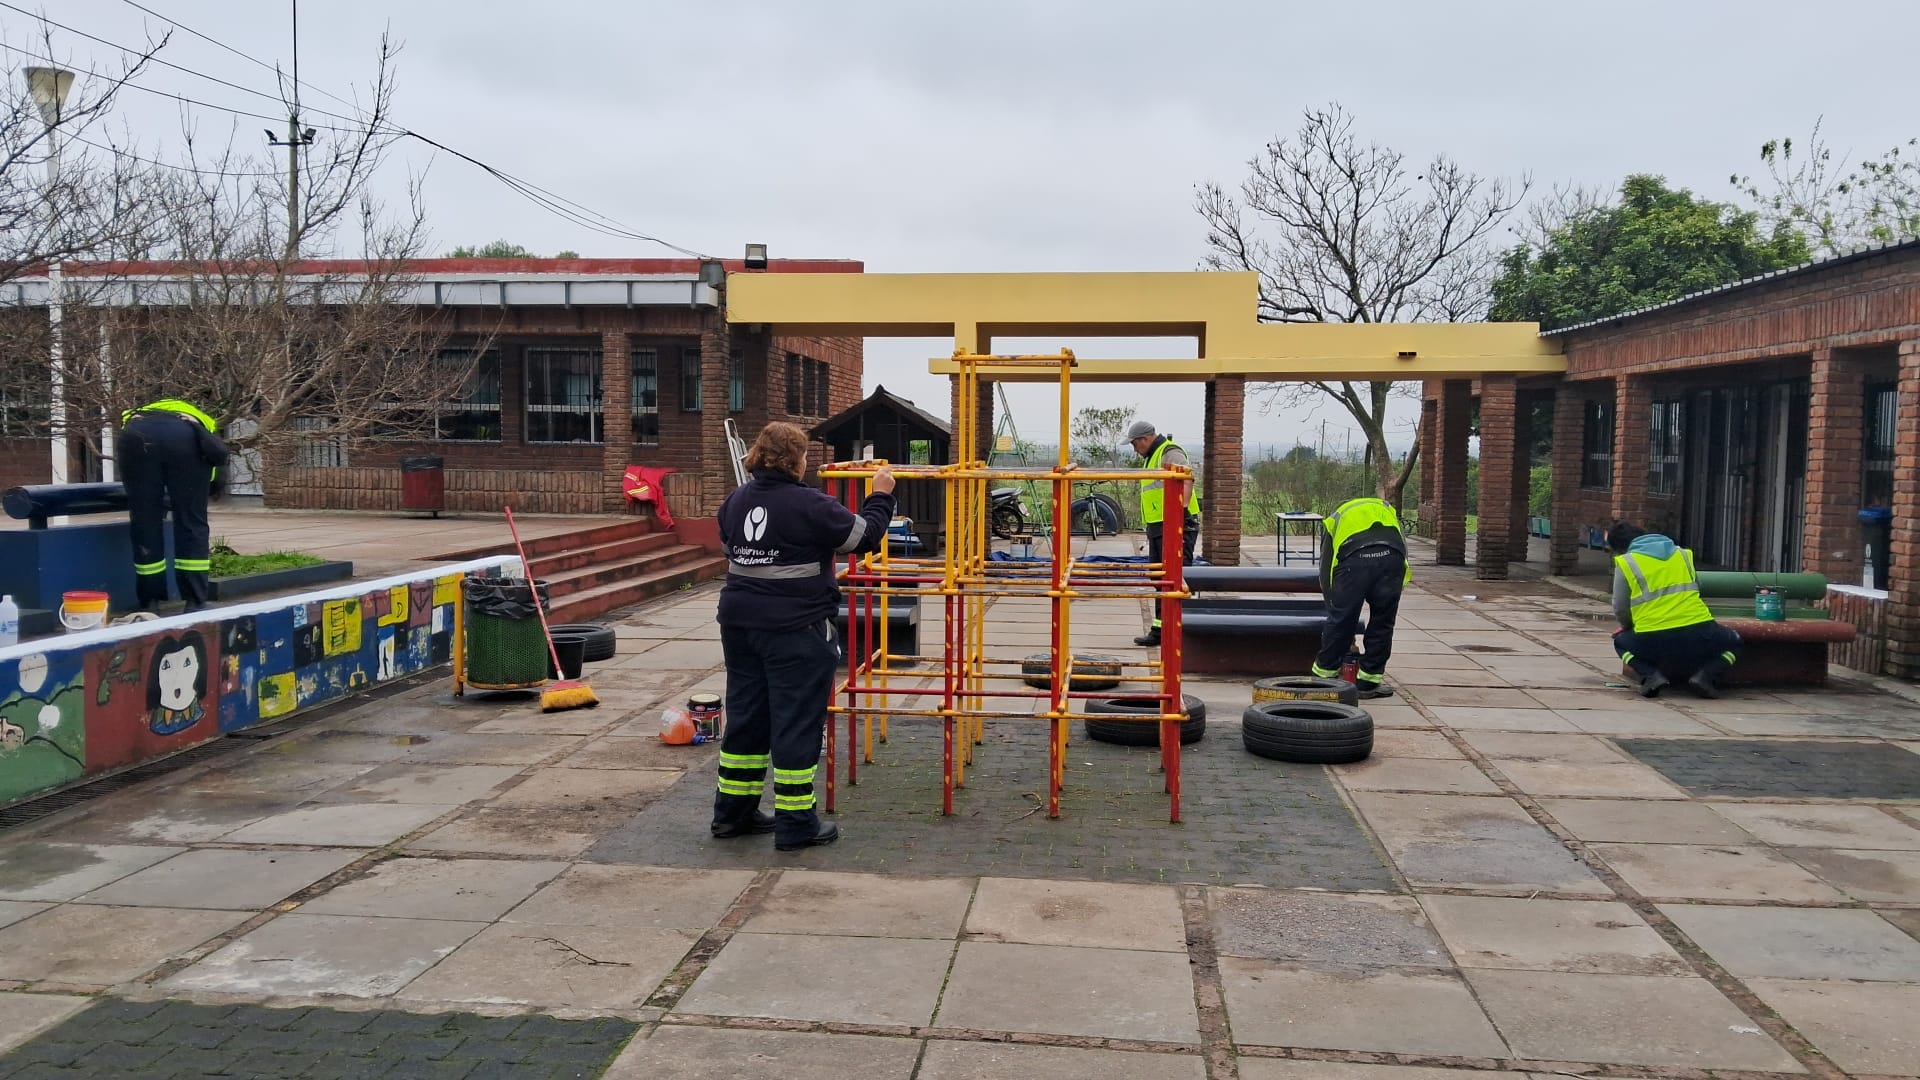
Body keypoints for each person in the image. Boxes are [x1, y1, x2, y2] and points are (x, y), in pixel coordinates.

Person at [712, 422, 896, 851]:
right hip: (795, 629)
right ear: (796, 460)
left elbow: (729, 548)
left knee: (747, 718)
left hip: (739, 626)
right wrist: (881, 495)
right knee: (796, 724)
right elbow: (863, 537)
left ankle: (731, 815)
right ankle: (796, 824)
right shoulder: (810, 504)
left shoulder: (735, 501)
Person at [1607, 521, 1741, 698]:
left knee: (1621, 642)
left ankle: (1651, 676)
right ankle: (1706, 676)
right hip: (1700, 633)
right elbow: (1696, 587)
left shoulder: (1626, 562)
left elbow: (1620, 607)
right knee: (1736, 642)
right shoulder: (1683, 555)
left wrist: (1627, 626)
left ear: (1619, 548)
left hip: (1653, 639)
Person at [119, 398, 228, 613]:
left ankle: (150, 602)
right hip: (185, 437)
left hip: (137, 434)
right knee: (191, 522)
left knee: (145, 521)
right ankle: (195, 601)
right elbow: (216, 466)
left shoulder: (135, 413)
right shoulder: (204, 423)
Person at [1310, 496, 1410, 699]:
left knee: (1342, 620)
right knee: (1383, 622)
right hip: (1392, 562)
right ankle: (1369, 682)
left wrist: (1334, 607)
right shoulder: (1386, 509)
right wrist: (1394, 589)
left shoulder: (1336, 518)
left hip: (1353, 563)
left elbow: (1326, 569)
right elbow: (1403, 549)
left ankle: (1324, 677)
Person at [1125, 419, 1200, 647]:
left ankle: (1179, 632)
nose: (1134, 449)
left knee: (1174, 579)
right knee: (1159, 578)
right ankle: (1160, 631)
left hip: (1176, 524)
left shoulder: (1169, 452)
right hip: (1159, 525)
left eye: (1135, 444)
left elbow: (1186, 478)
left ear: (1145, 439)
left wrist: (1180, 512)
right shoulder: (1152, 456)